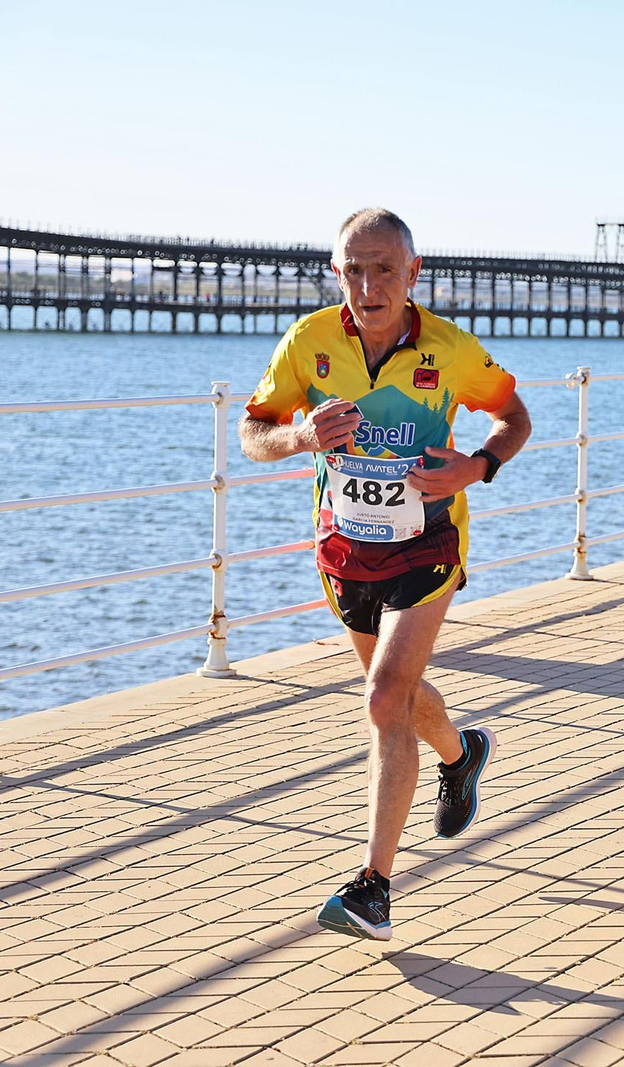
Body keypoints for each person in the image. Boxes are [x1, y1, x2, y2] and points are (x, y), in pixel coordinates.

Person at [240, 209, 532, 941]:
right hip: (345, 550)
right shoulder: (308, 343)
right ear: (337, 273)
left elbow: (515, 417)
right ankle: (461, 755)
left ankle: (374, 887)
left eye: (384, 269)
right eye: (354, 269)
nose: (369, 285)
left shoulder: (449, 348)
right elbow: (252, 433)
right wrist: (300, 434)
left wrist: (476, 467)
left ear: (413, 272)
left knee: (381, 698)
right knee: (394, 697)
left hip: (428, 543)